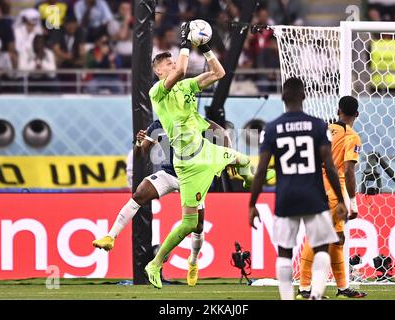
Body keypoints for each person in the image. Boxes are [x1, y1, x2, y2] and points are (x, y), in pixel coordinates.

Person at [143, 22, 275, 289]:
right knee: (190, 224)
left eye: (171, 61)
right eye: (166, 64)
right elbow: (180, 69)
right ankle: (155, 264)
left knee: (244, 160)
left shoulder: (187, 87)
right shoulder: (158, 92)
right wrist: (183, 42)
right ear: (159, 72)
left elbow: (219, 72)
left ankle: (248, 180)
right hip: (188, 164)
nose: (173, 65)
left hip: (206, 150)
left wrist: (204, 48)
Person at [93, 118, 233, 286]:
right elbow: (141, 154)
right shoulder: (157, 125)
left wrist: (229, 156)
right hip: (169, 174)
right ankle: (111, 237)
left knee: (198, 225)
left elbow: (222, 134)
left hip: (193, 178)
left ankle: (193, 262)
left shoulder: (193, 117)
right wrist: (138, 143)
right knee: (139, 194)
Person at [249, 77, 347, 300]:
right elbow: (330, 167)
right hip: (314, 195)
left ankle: (287, 298)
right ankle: (316, 294)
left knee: (285, 250)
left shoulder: (272, 128)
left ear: (283, 97)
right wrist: (341, 200)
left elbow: (262, 170)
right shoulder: (319, 125)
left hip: (286, 197)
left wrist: (252, 204)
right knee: (322, 246)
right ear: (304, 96)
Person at [297, 96, 367, 299]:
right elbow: (349, 170)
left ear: (338, 111)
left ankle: (343, 288)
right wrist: (352, 201)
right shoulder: (351, 136)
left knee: (337, 240)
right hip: (333, 193)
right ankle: (303, 288)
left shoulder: (322, 130)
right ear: (357, 114)